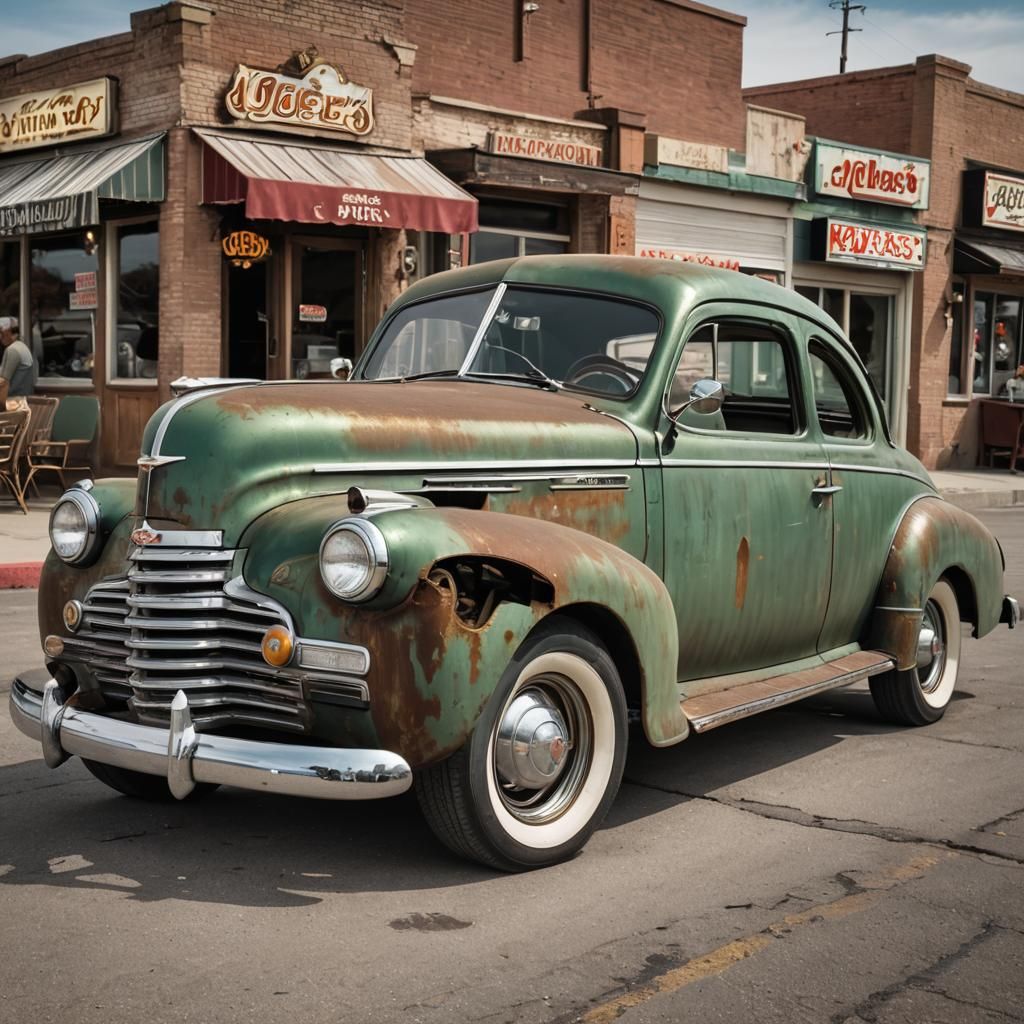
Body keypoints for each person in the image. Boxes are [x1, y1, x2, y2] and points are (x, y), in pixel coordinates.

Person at [0, 316, 36, 397]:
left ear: (8, 331)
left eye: (1, 332)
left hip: (14, 401)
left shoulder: (12, 350)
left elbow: (3, 382)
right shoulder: (21, 346)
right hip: (22, 399)